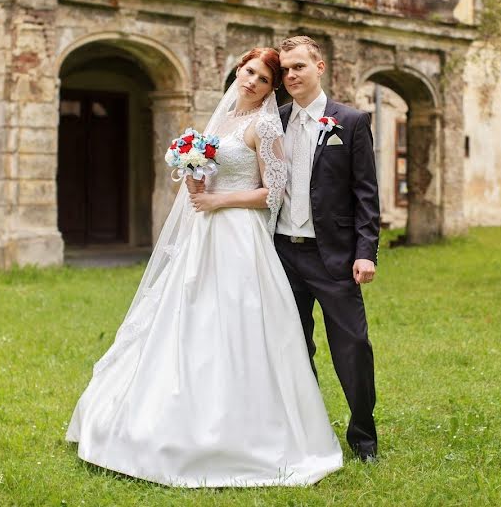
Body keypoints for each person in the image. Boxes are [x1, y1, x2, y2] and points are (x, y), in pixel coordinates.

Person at [65, 47, 343, 487]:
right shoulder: (225, 118)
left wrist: (217, 200)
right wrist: (194, 172)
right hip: (204, 234)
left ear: (271, 90)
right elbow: (207, 179)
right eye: (250, 72)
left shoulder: (266, 124)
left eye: (264, 79)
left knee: (234, 323)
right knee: (183, 318)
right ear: (238, 70)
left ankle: (240, 435)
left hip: (238, 235)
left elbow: (272, 192)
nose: (253, 81)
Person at [274, 36, 380, 463]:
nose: (290, 75)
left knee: (353, 345)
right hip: (281, 254)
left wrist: (366, 251)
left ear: (320, 67)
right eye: (284, 70)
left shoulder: (350, 122)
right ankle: (307, 433)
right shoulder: (273, 120)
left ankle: (364, 438)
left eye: (298, 66)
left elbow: (366, 194)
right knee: (294, 348)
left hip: (333, 255)